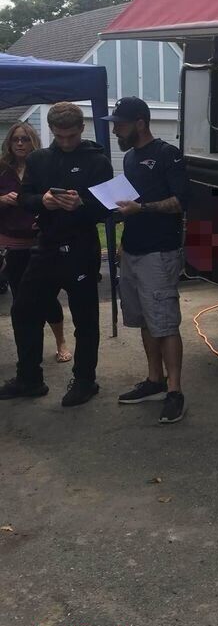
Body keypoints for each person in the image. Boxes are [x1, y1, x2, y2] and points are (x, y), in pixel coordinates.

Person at [0, 103, 113, 406]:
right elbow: (25, 198)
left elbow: (109, 208)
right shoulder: (38, 159)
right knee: (24, 310)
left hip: (81, 248)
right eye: (60, 136)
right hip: (47, 246)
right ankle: (29, 379)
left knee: (85, 318)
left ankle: (85, 380)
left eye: (71, 136)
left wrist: (82, 204)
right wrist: (43, 200)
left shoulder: (98, 161)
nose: (66, 142)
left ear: (82, 129)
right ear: (51, 130)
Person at [106, 97, 189, 424]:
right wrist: (122, 241)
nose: (115, 130)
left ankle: (175, 391)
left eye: (120, 124)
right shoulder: (129, 158)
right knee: (143, 319)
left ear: (140, 123)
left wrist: (143, 209)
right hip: (133, 249)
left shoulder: (168, 154)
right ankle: (155, 380)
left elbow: (181, 201)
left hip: (160, 251)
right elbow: (131, 203)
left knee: (165, 322)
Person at [0, 122, 72, 363]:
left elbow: (57, 198)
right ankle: (28, 354)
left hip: (41, 243)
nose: (20, 143)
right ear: (9, 143)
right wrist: (2, 199)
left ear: (33, 142)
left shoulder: (42, 166)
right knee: (20, 300)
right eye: (15, 139)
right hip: (12, 244)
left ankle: (61, 341)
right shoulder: (2, 169)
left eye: (25, 139)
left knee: (47, 297)